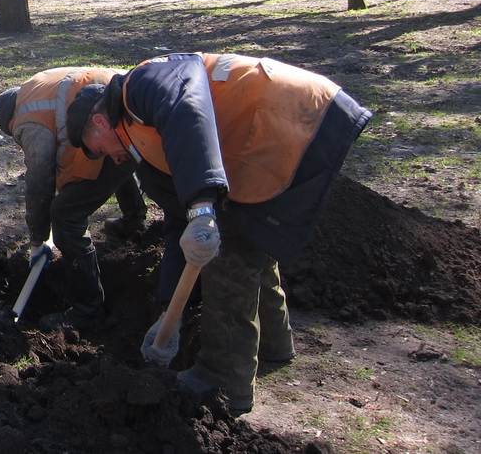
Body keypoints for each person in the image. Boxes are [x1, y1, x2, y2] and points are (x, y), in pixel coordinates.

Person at [65, 52, 372, 414]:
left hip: (296, 117)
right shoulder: (142, 148)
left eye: (98, 150)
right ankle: (273, 343)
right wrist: (169, 311)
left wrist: (203, 207)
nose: (109, 159)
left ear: (100, 122)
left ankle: (222, 381)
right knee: (250, 240)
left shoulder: (142, 85)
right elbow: (179, 224)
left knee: (229, 251)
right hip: (266, 140)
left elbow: (187, 106)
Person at [0, 67, 147, 329]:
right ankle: (133, 218)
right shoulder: (38, 85)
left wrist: (37, 239)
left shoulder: (26, 119)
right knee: (117, 163)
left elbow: (40, 178)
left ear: (10, 124)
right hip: (133, 104)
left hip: (110, 124)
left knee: (66, 214)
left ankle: (88, 310)